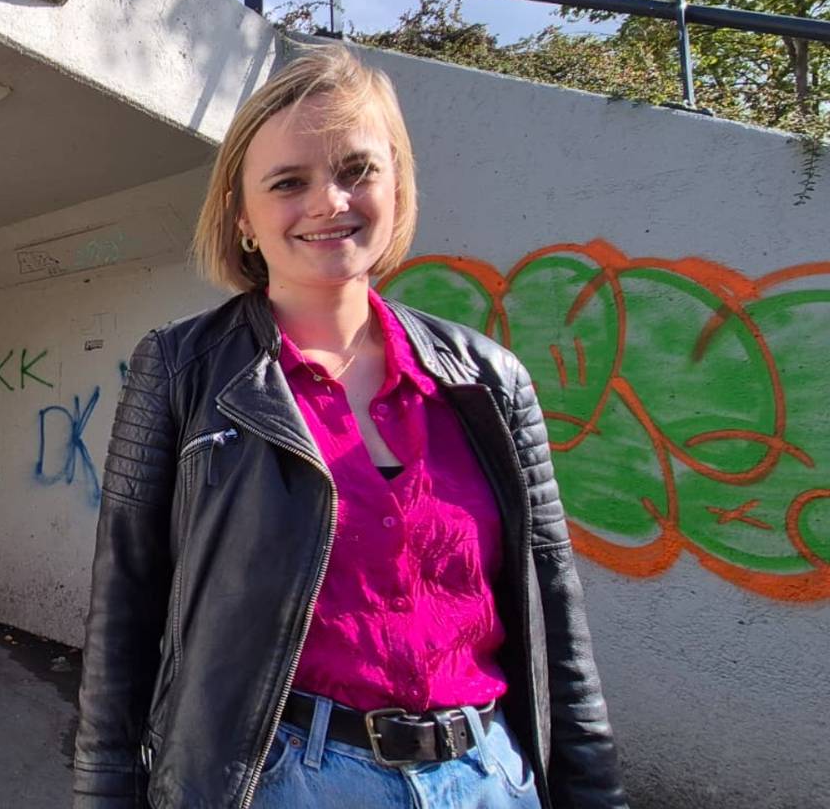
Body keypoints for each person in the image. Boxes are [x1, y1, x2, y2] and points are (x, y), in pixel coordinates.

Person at [72, 46, 626, 809]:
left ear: (396, 185)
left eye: (357, 170)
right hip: (283, 781)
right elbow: (124, 611)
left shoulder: (489, 382)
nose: (329, 201)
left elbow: (557, 621)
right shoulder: (180, 369)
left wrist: (594, 792)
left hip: (490, 778)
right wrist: (104, 795)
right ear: (242, 214)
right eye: (289, 182)